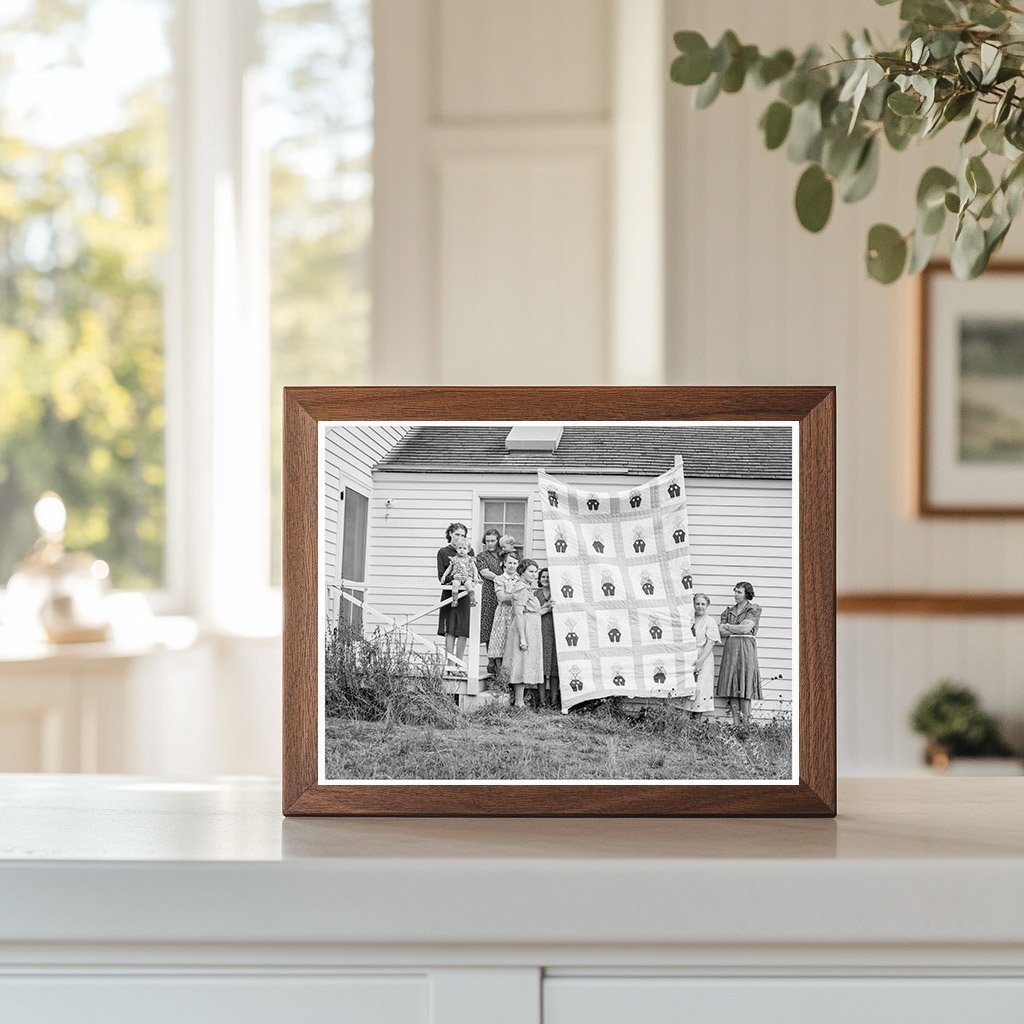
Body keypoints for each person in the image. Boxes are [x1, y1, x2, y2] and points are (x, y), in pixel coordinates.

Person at [716, 581, 763, 733]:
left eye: (739, 592)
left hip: (746, 649)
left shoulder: (753, 609)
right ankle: (736, 726)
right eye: (735, 591)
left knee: (745, 685)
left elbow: (746, 628)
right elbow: (721, 632)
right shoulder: (728, 611)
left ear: (747, 594)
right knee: (732, 686)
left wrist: (728, 626)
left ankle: (746, 726)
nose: (735, 594)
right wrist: (735, 628)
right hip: (731, 649)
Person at [503, 559, 543, 709]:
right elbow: (519, 613)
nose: (534, 574)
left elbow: (534, 610)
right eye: (530, 571)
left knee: (525, 662)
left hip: (531, 628)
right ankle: (519, 701)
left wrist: (547, 606)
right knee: (520, 662)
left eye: (535, 572)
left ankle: (520, 701)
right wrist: (522, 638)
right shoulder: (520, 588)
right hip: (524, 628)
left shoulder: (527, 588)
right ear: (522, 572)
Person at [436, 523, 474, 676]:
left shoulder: (469, 551)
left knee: (463, 630)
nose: (460, 538)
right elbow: (441, 577)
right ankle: (450, 665)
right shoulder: (443, 552)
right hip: (451, 594)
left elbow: (473, 571)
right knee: (450, 630)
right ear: (450, 534)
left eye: (463, 535)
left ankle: (459, 664)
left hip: (465, 595)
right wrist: (453, 577)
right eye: (457, 534)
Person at [684, 592, 720, 722]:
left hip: (704, 657)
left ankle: (697, 723)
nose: (700, 606)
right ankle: (685, 723)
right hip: (689, 657)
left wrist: (700, 661)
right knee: (688, 688)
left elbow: (711, 643)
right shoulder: (688, 619)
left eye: (703, 604)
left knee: (701, 688)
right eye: (697, 604)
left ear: (707, 605)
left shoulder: (709, 621)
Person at [486, 550, 520, 680]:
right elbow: (502, 598)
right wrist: (517, 597)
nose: (512, 566)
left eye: (514, 563)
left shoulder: (520, 579)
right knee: (500, 643)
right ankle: (501, 679)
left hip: (516, 614)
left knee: (514, 644)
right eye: (509, 563)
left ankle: (513, 678)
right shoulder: (499, 579)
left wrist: (512, 596)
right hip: (503, 614)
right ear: (504, 563)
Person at [475, 529, 504, 676]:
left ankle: (503, 663)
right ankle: (491, 661)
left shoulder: (504, 555)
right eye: (487, 541)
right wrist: (502, 579)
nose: (490, 544)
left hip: (506, 592)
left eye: (493, 541)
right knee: (490, 626)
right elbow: (485, 573)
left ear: (498, 540)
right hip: (489, 593)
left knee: (503, 626)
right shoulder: (482, 556)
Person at [536, 566, 559, 709]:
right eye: (543, 577)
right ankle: (542, 701)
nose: (545, 579)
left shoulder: (557, 593)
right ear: (539, 579)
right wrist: (547, 608)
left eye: (548, 577)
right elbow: (533, 612)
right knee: (542, 668)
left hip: (556, 631)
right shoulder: (536, 594)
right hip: (540, 631)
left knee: (554, 669)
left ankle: (554, 701)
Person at [440, 535, 479, 607]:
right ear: (456, 549)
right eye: (460, 548)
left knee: (468, 585)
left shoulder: (470, 559)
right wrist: (444, 576)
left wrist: (475, 576)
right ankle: (455, 601)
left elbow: (474, 568)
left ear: (468, 550)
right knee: (455, 585)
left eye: (464, 548)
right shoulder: (454, 559)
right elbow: (449, 568)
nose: (462, 550)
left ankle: (472, 600)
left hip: (467, 577)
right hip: (457, 577)